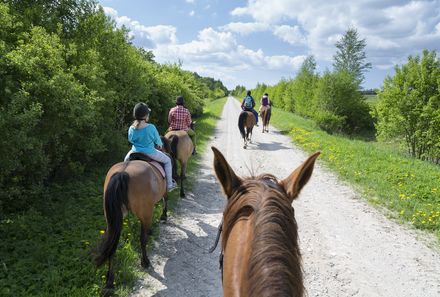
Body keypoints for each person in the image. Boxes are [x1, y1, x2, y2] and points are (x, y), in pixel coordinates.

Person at [124, 102, 177, 192]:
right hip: (150, 152)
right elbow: (159, 142)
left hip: (133, 152)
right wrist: (159, 145)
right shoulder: (151, 127)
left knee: (124, 163)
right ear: (145, 116)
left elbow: (130, 140)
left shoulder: (131, 128)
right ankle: (169, 185)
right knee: (168, 161)